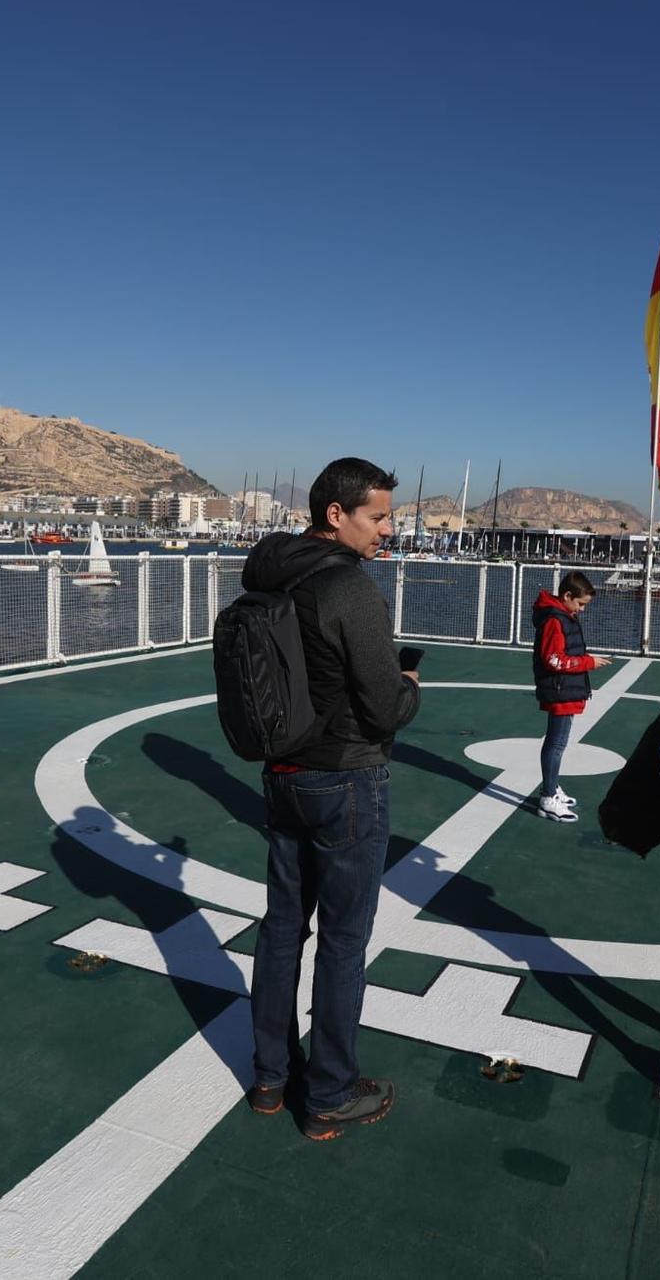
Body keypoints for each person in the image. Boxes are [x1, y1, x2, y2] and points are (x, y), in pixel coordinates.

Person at [240, 457, 421, 1140]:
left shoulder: (269, 572)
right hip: (347, 780)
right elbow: (382, 707)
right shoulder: (349, 588)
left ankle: (268, 1077)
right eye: (377, 517)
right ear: (335, 514)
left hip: (280, 774)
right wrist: (410, 682)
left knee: (282, 928)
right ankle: (329, 1093)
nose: (387, 531)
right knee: (344, 944)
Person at [529, 571, 612, 821]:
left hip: (564, 688)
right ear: (567, 595)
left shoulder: (564, 616)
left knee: (558, 743)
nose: (582, 609)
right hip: (560, 689)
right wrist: (588, 662)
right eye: (580, 603)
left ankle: (552, 787)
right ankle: (548, 795)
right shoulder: (556, 620)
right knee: (556, 744)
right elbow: (553, 659)